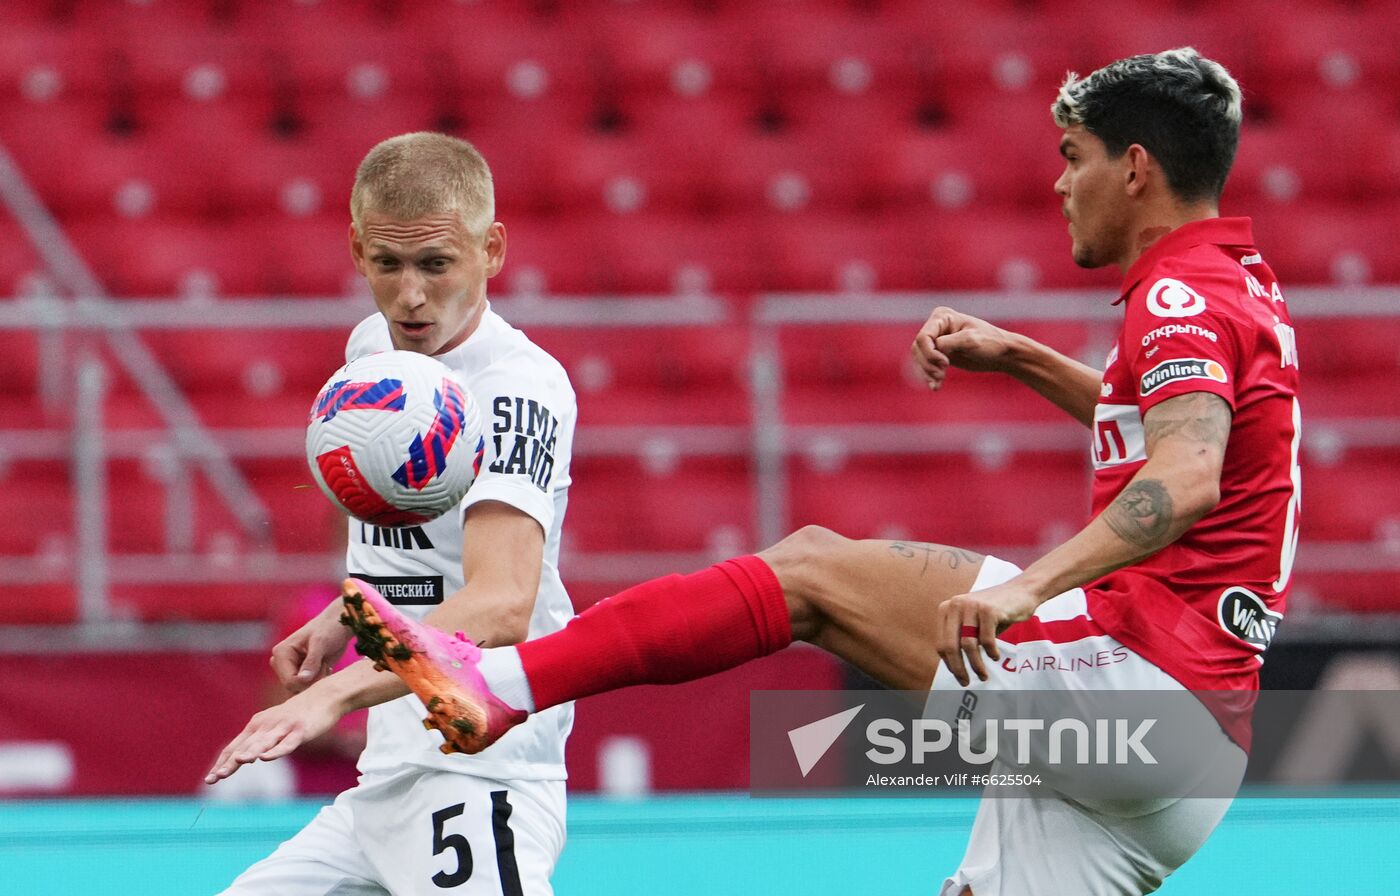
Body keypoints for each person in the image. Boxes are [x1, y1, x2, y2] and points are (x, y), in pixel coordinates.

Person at [214, 48, 1301, 894]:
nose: (1059, 182)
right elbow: (1174, 431)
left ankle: (501, 688)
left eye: (1071, 156)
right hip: (1186, 756)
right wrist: (1020, 356)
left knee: (811, 573)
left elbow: (1186, 475)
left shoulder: (1171, 298)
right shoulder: (1238, 284)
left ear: (1134, 167)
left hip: (1144, 690)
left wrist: (1024, 586)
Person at [206, 132, 579, 895]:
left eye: (436, 264)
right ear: (356, 249)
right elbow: (411, 558)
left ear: (492, 250)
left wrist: (333, 692)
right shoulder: (372, 350)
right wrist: (346, 617)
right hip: (386, 776)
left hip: (480, 770)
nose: (411, 294)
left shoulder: (518, 389)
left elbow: (502, 604)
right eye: (389, 264)